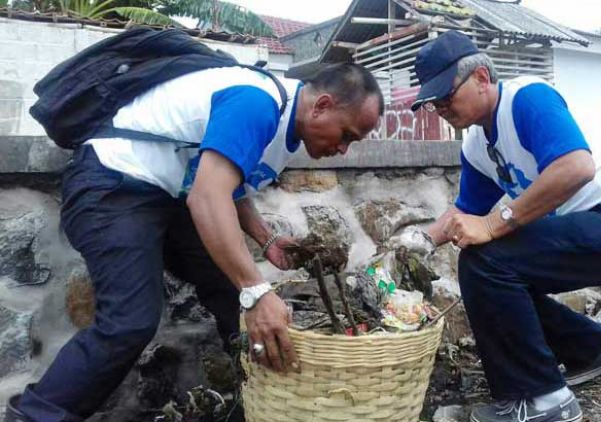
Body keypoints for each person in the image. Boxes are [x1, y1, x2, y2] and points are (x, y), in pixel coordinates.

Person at [8, 62, 383, 421]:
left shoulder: (284, 123)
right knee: (130, 320)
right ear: (322, 105)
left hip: (166, 197)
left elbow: (228, 185)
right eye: (347, 134)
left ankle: (261, 400)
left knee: (229, 290)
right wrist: (256, 290)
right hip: (112, 183)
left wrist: (265, 240)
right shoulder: (257, 103)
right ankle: (37, 414)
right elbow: (207, 197)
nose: (344, 149)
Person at [408, 30, 601, 422]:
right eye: (432, 101)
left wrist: (494, 224)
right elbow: (462, 212)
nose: (440, 107)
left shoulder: (527, 97)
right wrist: (415, 244)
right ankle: (594, 348)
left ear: (481, 77)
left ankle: (540, 399)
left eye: (446, 94)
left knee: (486, 261)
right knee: (496, 267)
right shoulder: (478, 145)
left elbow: (576, 167)